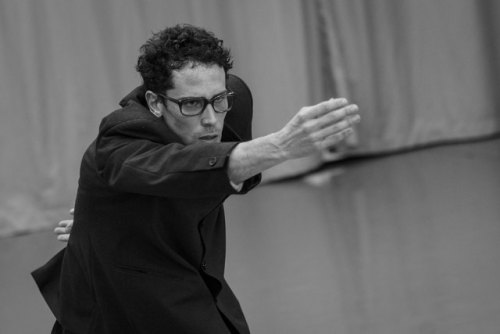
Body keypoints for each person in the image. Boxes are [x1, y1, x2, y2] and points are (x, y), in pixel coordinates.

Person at [32, 24, 360, 334]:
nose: (210, 119)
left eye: (218, 100)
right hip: (115, 304)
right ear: (155, 102)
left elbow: (207, 175)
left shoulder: (230, 100)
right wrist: (279, 146)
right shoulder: (118, 141)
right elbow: (177, 167)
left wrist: (107, 221)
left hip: (189, 276)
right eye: (191, 103)